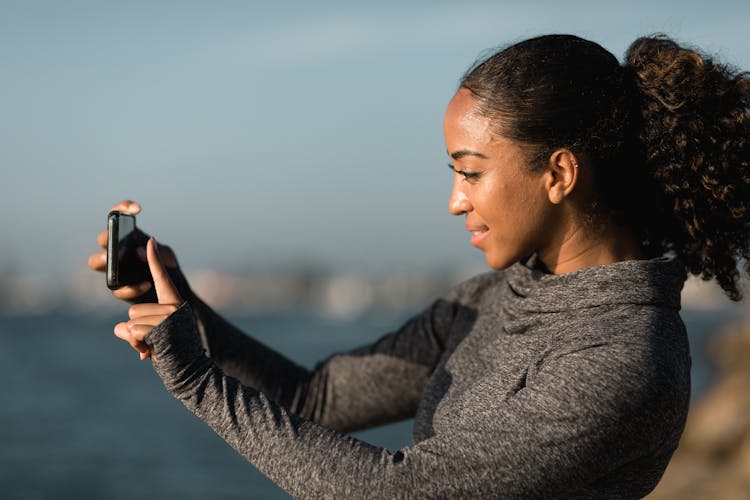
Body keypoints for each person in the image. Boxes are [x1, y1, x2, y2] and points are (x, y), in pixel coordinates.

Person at [88, 34, 750, 499]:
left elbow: (393, 491)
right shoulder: (491, 298)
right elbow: (314, 400)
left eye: (470, 173)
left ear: (559, 173)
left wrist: (198, 382)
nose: (456, 201)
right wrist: (175, 304)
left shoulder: (620, 360)